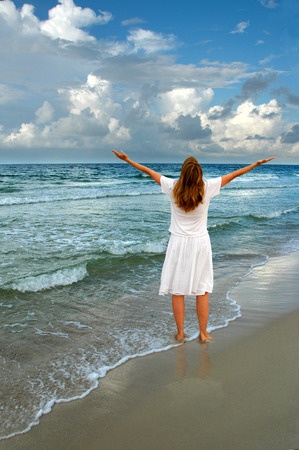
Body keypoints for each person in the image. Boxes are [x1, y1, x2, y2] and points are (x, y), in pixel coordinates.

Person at [112, 150, 276, 343]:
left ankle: (180, 333)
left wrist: (128, 159)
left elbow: (149, 171)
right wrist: (256, 164)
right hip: (200, 243)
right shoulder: (207, 187)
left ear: (183, 173)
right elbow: (234, 174)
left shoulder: (173, 186)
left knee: (178, 291)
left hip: (178, 244)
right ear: (199, 175)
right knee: (202, 289)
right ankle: (203, 333)